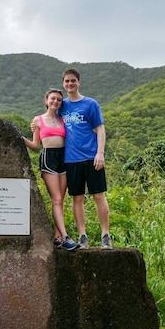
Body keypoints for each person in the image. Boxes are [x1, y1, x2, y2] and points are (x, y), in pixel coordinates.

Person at [59, 68, 112, 248]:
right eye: (67, 81)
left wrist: (100, 153)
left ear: (79, 82)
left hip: (92, 157)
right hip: (71, 159)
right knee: (77, 198)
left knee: (98, 195)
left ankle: (106, 235)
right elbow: (49, 118)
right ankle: (82, 236)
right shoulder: (62, 106)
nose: (70, 84)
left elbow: (100, 129)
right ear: (63, 83)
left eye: (73, 81)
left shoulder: (90, 104)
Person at [23, 88, 80, 250]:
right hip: (49, 159)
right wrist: (18, 137)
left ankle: (57, 237)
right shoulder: (38, 120)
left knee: (61, 200)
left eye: (59, 100)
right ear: (46, 100)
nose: (55, 102)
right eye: (52, 99)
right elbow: (35, 146)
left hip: (65, 158)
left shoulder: (63, 119)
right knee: (55, 199)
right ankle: (65, 237)